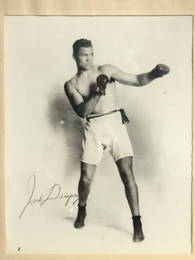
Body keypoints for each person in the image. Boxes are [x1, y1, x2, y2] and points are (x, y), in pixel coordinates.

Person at [64, 38, 170, 242]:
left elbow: (138, 80)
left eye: (91, 53)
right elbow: (83, 112)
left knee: (127, 173)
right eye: (84, 54)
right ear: (75, 56)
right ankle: (82, 209)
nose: (88, 58)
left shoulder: (107, 69)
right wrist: (98, 91)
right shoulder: (71, 85)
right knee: (86, 177)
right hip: (94, 127)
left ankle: (137, 222)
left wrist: (154, 74)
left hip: (114, 123)